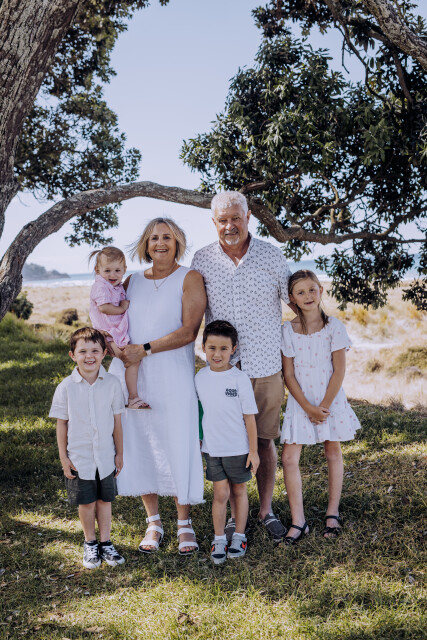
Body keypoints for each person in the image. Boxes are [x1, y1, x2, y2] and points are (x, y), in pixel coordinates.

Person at [191, 191, 292, 542]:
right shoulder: (202, 259)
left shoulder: (271, 255)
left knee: (263, 442)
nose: (230, 225)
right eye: (223, 220)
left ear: (248, 217)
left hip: (265, 366)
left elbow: (295, 300)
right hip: (221, 372)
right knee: (226, 444)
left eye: (236, 218)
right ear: (214, 222)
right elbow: (191, 312)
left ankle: (265, 510)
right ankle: (236, 517)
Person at [108, 218, 206, 555]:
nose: (160, 243)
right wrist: (115, 348)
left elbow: (189, 331)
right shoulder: (131, 281)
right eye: (153, 238)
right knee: (139, 442)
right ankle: (153, 522)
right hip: (132, 374)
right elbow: (113, 322)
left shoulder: (189, 278)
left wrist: (145, 349)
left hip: (172, 372)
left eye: (167, 237)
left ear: (177, 242)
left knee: (177, 440)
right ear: (145, 245)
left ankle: (184, 523)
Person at [280, 270, 361, 544]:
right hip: (300, 402)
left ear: (321, 290)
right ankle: (298, 521)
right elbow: (288, 375)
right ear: (292, 298)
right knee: (289, 458)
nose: (308, 296)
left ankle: (332, 513)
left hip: (329, 399)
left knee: (332, 452)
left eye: (312, 289)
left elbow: (339, 370)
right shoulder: (287, 330)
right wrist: (308, 408)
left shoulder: (334, 327)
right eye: (300, 292)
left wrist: (323, 407)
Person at [49, 327, 125, 569]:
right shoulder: (66, 387)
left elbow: (117, 422)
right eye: (82, 351)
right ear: (72, 355)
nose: (89, 356)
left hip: (105, 456)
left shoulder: (112, 384)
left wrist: (119, 453)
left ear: (104, 353)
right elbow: (62, 424)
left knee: (104, 501)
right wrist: (64, 458)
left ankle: (106, 542)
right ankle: (90, 542)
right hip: (80, 458)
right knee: (87, 503)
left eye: (95, 350)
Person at [196, 320, 260, 565]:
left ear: (233, 349)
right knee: (220, 493)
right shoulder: (199, 378)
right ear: (203, 348)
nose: (217, 354)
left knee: (239, 491)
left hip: (238, 448)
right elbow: (199, 412)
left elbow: (249, 417)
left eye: (224, 348)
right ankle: (220, 538)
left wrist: (253, 451)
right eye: (212, 348)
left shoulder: (239, 379)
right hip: (212, 449)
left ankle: (240, 536)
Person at [89, 246, 149, 410]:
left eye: (117, 270)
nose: (113, 275)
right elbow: (104, 308)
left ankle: (117, 398)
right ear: (97, 270)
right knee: (131, 360)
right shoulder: (101, 286)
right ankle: (132, 398)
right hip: (108, 334)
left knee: (130, 362)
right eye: (107, 270)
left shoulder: (116, 286)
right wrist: (122, 308)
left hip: (114, 332)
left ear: (124, 270)